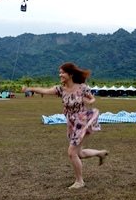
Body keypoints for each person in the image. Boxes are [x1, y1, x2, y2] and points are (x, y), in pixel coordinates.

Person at [21, 62, 108, 190]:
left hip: (82, 121)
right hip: (72, 124)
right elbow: (45, 90)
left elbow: (92, 99)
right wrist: (30, 89)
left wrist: (89, 101)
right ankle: (100, 153)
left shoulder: (82, 87)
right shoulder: (60, 89)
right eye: (60, 72)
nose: (60, 74)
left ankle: (80, 181)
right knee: (79, 153)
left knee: (72, 152)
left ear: (70, 74)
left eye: (62, 72)